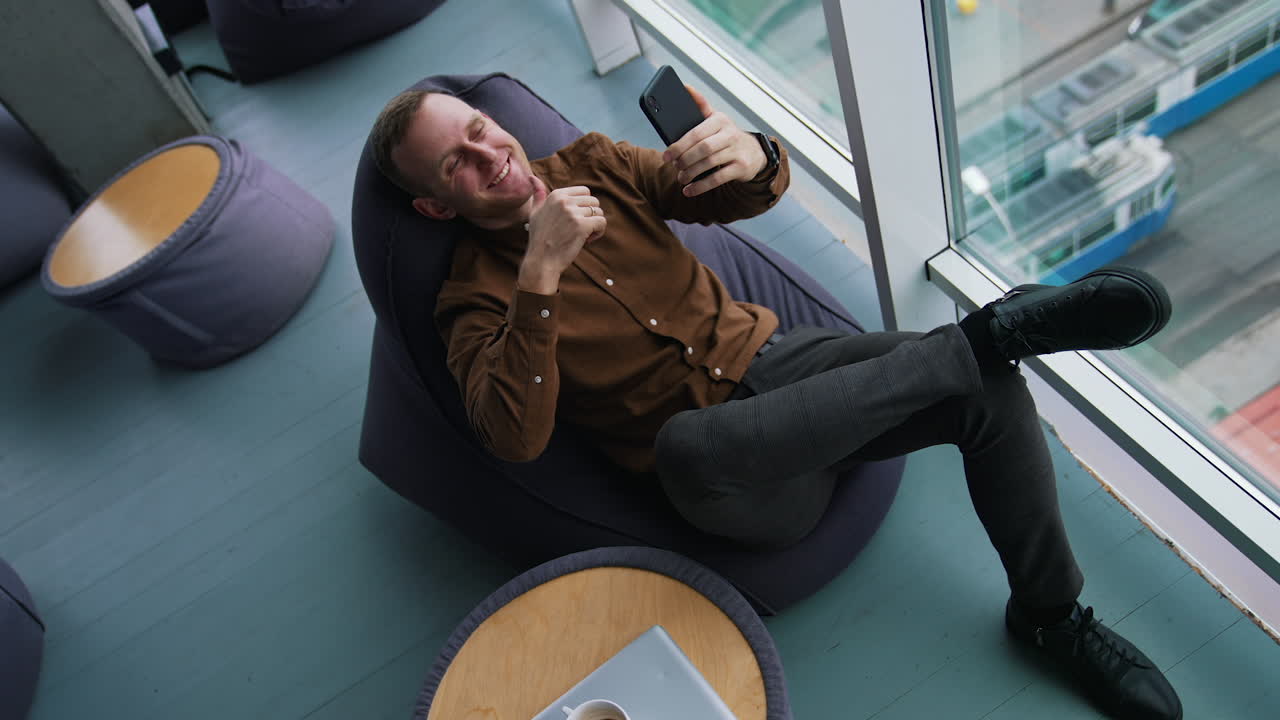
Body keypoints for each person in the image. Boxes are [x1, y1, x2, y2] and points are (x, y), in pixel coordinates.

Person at [370, 84, 1182, 720]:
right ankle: (988, 332)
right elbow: (512, 436)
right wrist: (538, 274)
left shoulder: (593, 163)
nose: (488, 154)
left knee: (991, 394)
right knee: (686, 443)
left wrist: (751, 153)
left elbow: (732, 195)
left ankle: (1050, 615)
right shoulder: (471, 301)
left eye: (479, 129)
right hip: (735, 476)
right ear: (436, 207)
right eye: (455, 164)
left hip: (793, 365)